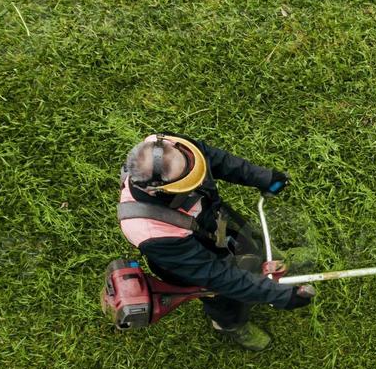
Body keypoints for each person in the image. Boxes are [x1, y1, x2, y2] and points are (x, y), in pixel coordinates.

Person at [117, 134, 313, 350]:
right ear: (156, 190)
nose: (201, 180)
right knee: (224, 298)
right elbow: (217, 276)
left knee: (252, 242)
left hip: (215, 219)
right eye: (191, 181)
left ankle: (276, 264)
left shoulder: (173, 146)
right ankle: (231, 326)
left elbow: (215, 159)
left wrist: (262, 177)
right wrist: (279, 296)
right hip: (194, 260)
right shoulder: (150, 231)